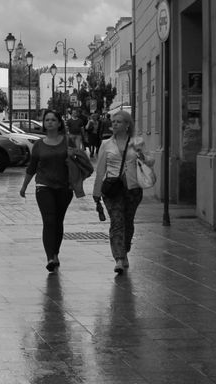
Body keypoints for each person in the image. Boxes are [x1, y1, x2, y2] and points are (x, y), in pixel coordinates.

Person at [19, 110, 91, 272]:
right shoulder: (38, 145)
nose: (50, 122)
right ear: (44, 123)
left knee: (58, 221)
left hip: (64, 188)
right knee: (49, 220)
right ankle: (50, 257)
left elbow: (80, 162)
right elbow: (32, 168)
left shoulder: (68, 142)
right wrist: (24, 187)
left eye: (53, 120)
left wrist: (75, 161)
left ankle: (56, 253)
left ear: (59, 123)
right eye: (47, 120)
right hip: (44, 187)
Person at [92, 110, 154, 274]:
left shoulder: (137, 141)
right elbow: (100, 170)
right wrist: (96, 192)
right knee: (117, 221)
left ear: (128, 125)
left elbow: (150, 161)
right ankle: (119, 258)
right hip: (112, 188)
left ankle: (125, 250)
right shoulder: (106, 144)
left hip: (133, 188)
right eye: (113, 122)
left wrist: (141, 155)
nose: (115, 124)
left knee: (128, 221)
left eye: (119, 122)